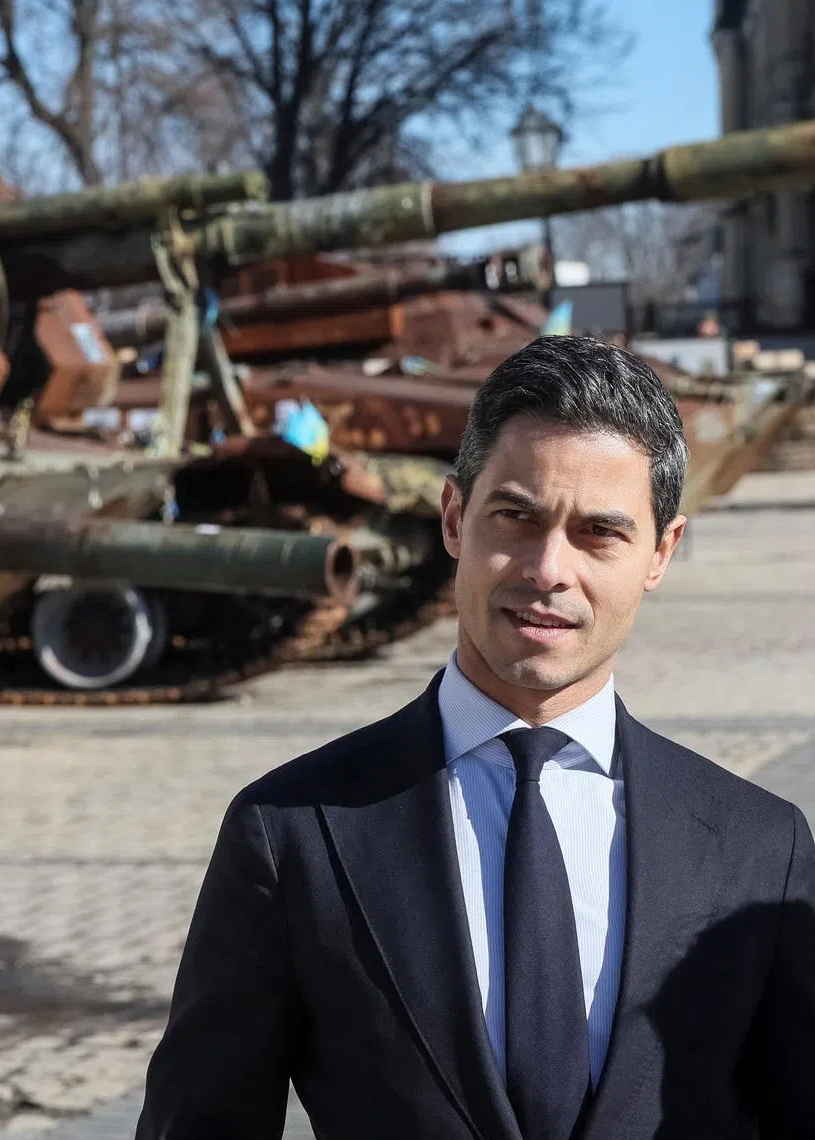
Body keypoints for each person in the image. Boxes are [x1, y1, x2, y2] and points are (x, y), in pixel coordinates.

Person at [135, 335, 815, 1140]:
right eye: (516, 517)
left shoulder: (758, 849)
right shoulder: (293, 833)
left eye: (599, 533)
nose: (548, 568)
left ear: (660, 553)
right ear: (455, 518)